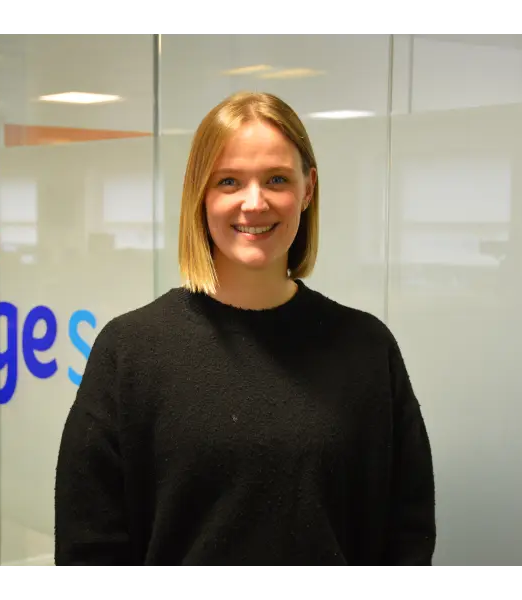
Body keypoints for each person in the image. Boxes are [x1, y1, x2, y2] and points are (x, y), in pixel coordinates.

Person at [54, 91, 436, 568]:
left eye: (277, 179)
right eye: (229, 181)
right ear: (200, 193)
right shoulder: (130, 350)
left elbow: (406, 539)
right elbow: (88, 546)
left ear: (308, 188)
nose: (254, 204)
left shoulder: (366, 349)